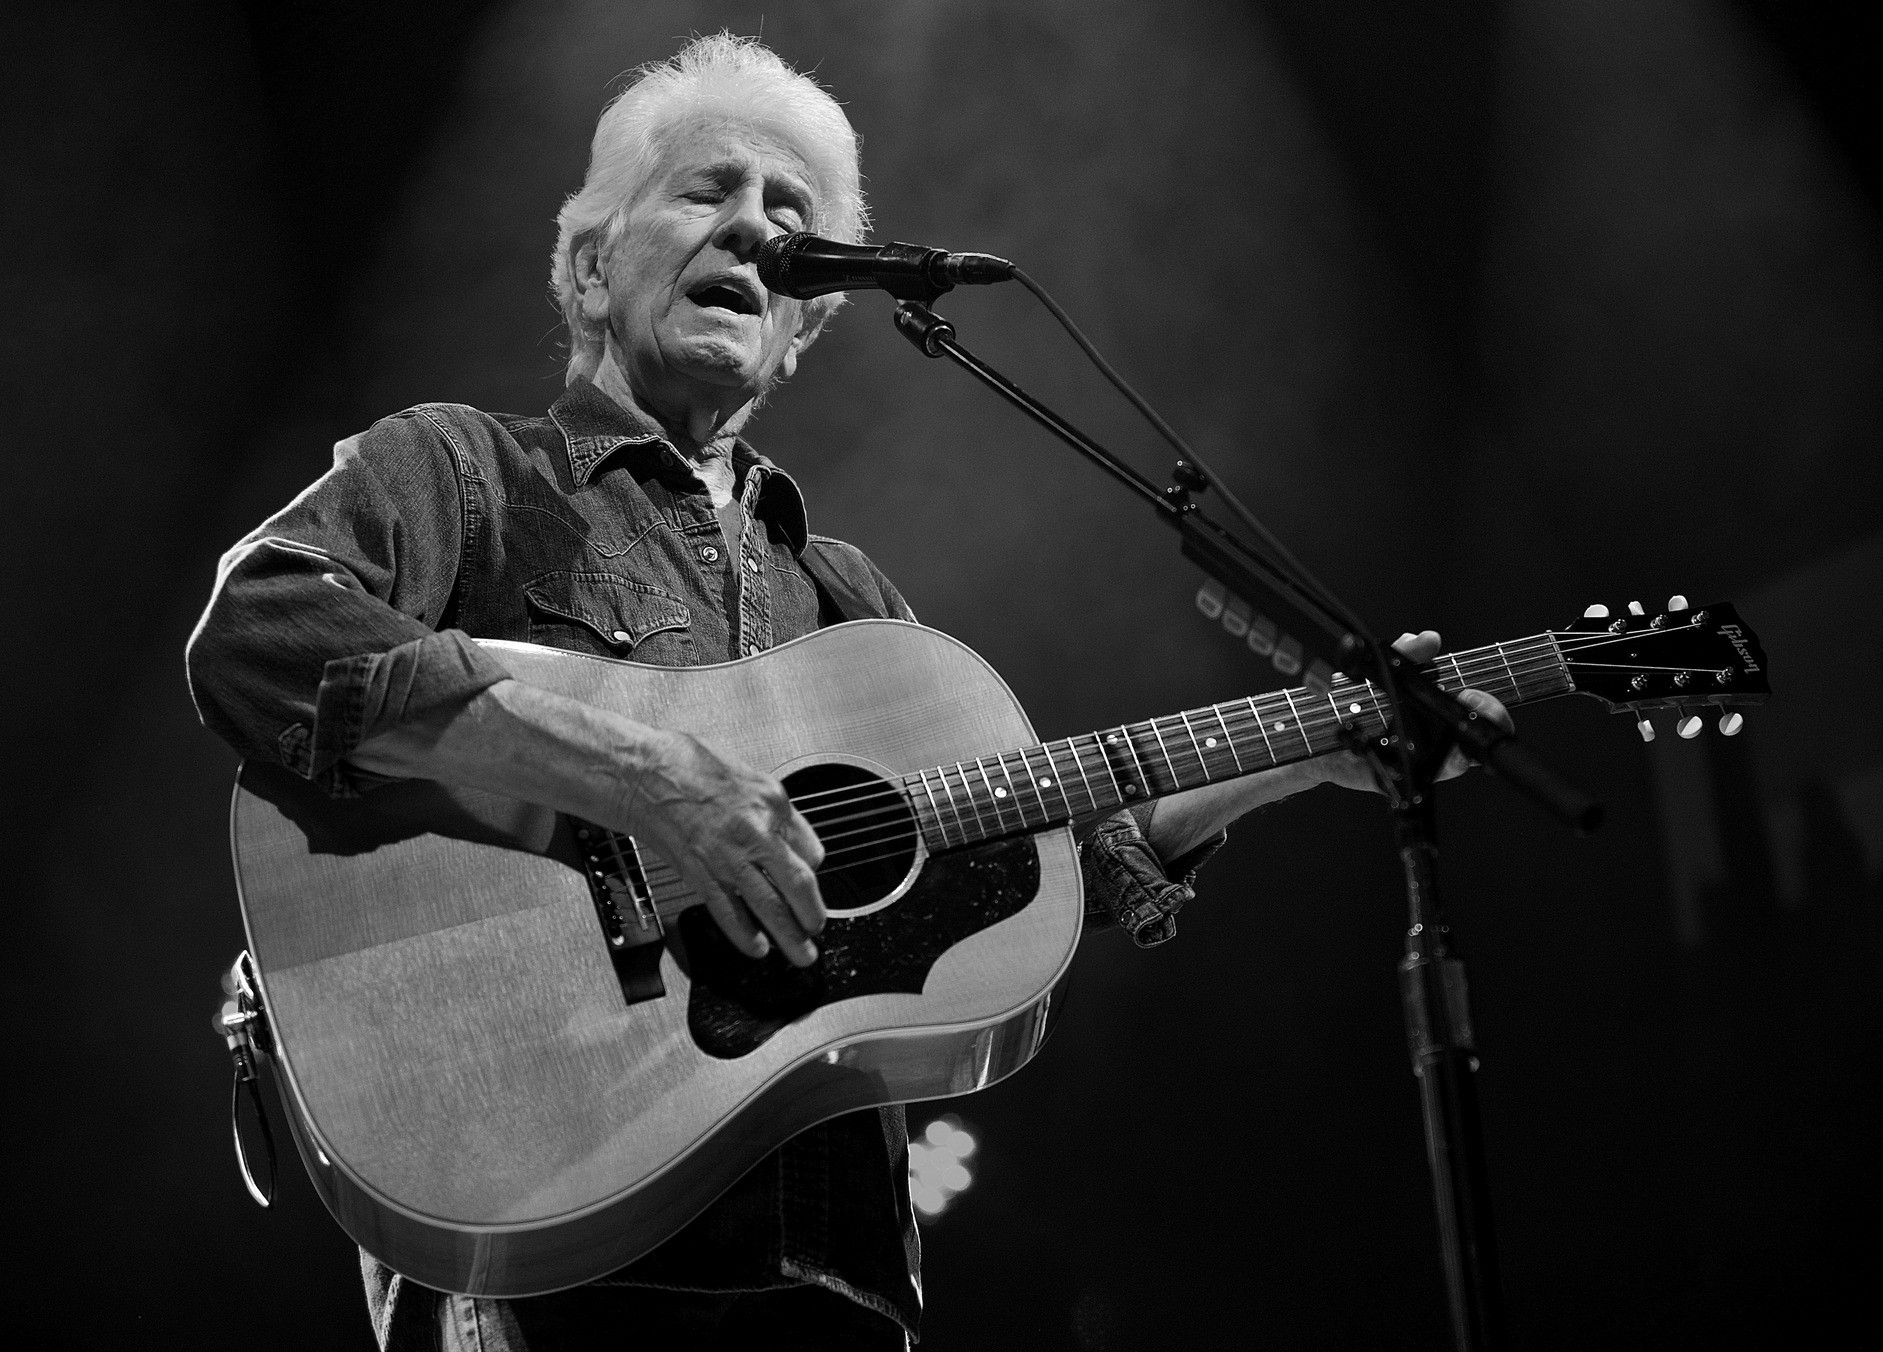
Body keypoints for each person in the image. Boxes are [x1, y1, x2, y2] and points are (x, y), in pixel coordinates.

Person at [185, 33, 1507, 1351]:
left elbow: (1059, 867)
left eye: (793, 218)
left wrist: (1311, 748)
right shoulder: (462, 474)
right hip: (547, 1227)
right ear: (591, 267)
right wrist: (637, 773)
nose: (759, 229)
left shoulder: (853, 605)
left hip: (834, 1271)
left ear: (805, 326)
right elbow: (263, 632)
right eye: (709, 192)